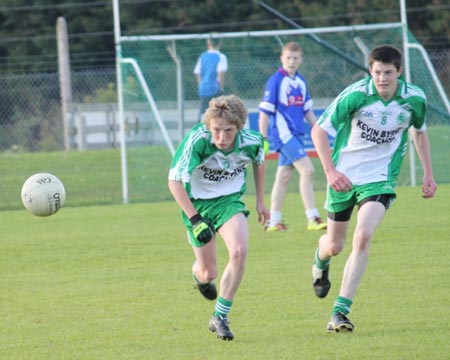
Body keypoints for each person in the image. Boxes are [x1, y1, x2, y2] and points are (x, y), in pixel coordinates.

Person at [310, 44, 437, 333]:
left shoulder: (414, 99)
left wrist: (428, 172)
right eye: (377, 72)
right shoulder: (356, 94)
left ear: (399, 72)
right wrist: (330, 171)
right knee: (335, 245)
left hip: (380, 177)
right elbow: (319, 130)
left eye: (388, 72)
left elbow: (419, 132)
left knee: (364, 235)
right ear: (370, 70)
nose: (382, 78)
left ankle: (340, 312)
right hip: (344, 176)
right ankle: (320, 261)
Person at [168, 95, 270, 341]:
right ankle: (198, 276)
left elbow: (259, 160)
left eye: (228, 131)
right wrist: (194, 219)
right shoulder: (198, 140)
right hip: (197, 205)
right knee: (209, 273)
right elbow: (174, 181)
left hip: (229, 201)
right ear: (208, 126)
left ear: (239, 128)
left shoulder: (252, 140)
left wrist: (259, 201)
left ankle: (220, 316)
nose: (222, 138)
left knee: (239, 251)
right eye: (216, 130)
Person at [258, 41, 326, 232]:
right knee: (308, 170)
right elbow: (264, 112)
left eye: (295, 58)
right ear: (282, 59)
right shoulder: (276, 81)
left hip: (295, 135)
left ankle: (273, 221)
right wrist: (263, 138)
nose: (291, 61)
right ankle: (313, 217)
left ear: (301, 60)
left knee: (284, 176)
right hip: (283, 135)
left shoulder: (301, 81)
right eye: (288, 57)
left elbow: (308, 111)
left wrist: (319, 129)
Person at [193, 36, 228, 121]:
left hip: (204, 88)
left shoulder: (202, 56)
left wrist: (201, 84)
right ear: (220, 43)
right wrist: (221, 87)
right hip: (215, 89)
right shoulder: (221, 56)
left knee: (204, 112)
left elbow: (197, 72)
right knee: (218, 114)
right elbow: (221, 72)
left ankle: (201, 130)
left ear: (208, 43)